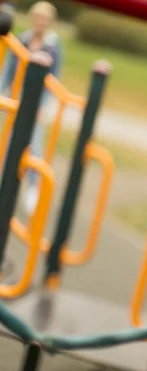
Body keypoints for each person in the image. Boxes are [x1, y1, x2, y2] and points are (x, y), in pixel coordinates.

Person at [0, 1, 63, 215]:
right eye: (38, 17)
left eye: (45, 19)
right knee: (8, 142)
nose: (41, 22)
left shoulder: (53, 45)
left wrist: (41, 106)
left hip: (35, 103)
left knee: (34, 146)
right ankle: (5, 185)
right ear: (32, 18)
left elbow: (54, 79)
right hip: (17, 98)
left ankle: (33, 188)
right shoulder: (23, 39)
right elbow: (9, 69)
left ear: (50, 22)